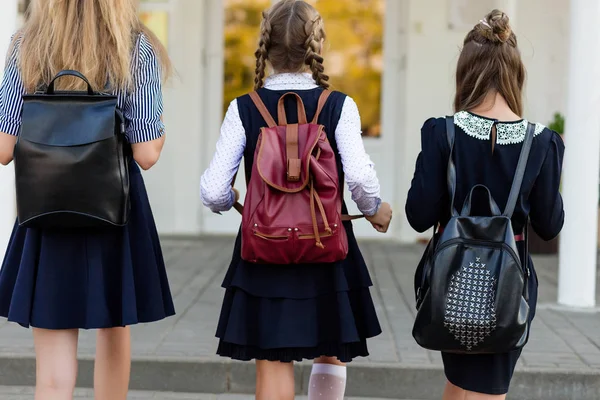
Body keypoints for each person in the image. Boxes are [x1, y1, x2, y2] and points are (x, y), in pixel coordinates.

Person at [200, 1, 392, 398]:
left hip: (264, 253)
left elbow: (213, 190)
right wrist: (374, 210)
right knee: (331, 348)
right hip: (327, 248)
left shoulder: (244, 108)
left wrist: (230, 199)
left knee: (273, 361)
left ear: (265, 46)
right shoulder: (340, 106)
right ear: (316, 45)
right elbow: (358, 177)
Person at [0, 1, 175, 399]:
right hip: (114, 207)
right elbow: (146, 153)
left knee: (53, 362)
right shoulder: (135, 47)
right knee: (114, 325)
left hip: (46, 206)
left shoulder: (25, 43)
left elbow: (4, 148)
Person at [406, 10, 564, 400]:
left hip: (449, 285)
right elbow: (549, 224)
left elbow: (418, 215)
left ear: (465, 72)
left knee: (462, 384)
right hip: (508, 291)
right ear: (516, 74)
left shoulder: (441, 132)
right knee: (483, 390)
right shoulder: (542, 142)